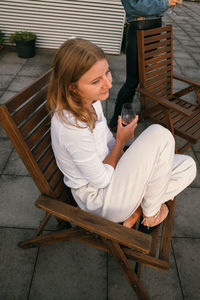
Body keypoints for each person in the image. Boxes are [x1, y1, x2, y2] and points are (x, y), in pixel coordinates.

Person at [47, 38, 196, 229]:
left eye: (106, 72)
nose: (108, 84)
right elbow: (101, 179)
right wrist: (121, 141)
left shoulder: (90, 102)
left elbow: (107, 141)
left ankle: (138, 209)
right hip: (101, 201)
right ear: (72, 87)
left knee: (187, 166)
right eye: (95, 81)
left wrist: (128, 150)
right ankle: (150, 214)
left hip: (114, 177)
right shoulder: (71, 127)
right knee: (159, 134)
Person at [109, 0, 181, 131]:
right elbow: (134, 7)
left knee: (144, 76)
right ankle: (115, 123)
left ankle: (137, 112)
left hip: (153, 26)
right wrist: (165, 3)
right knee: (132, 81)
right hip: (141, 26)